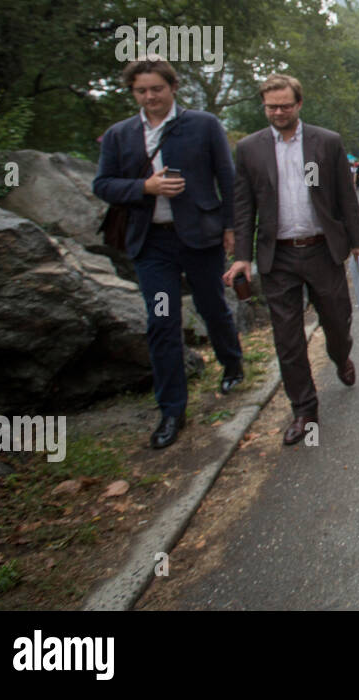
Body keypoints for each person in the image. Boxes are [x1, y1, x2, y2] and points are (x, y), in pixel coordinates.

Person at [92, 56, 243, 450]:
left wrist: (231, 228)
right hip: (152, 244)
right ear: (133, 93)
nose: (150, 96)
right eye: (141, 90)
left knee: (213, 308)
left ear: (173, 87)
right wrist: (144, 188)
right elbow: (103, 185)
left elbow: (227, 178)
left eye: (156, 89)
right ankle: (172, 408)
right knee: (162, 320)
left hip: (200, 239)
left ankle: (232, 362)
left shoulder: (203, 125)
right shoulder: (119, 135)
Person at [223, 74, 359, 445]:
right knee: (287, 339)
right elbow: (243, 207)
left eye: (285, 105)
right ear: (264, 106)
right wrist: (241, 257)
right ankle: (304, 410)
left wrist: (357, 241)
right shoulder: (250, 149)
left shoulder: (326, 142)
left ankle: (341, 357)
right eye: (271, 106)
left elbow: (344, 196)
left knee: (337, 322)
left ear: (299, 104)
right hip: (278, 256)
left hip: (322, 250)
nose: (279, 112)